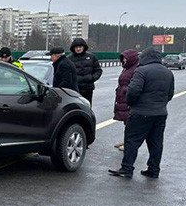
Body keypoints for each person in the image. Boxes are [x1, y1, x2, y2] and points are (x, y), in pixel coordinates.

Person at [108, 48, 175, 179]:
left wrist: (131, 104)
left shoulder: (142, 71)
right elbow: (170, 94)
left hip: (141, 112)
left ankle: (127, 169)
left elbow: (133, 91)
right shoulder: (168, 72)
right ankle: (153, 170)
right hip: (160, 113)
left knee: (131, 141)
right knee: (156, 142)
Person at [113, 49, 140, 150]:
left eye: (125, 58)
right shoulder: (127, 68)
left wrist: (125, 91)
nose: (123, 60)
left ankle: (129, 144)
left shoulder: (136, 69)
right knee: (127, 122)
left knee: (130, 123)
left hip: (129, 98)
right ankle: (126, 141)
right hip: (123, 97)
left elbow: (135, 85)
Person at [68, 38, 103, 104]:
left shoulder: (91, 57)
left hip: (88, 88)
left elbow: (98, 70)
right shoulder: (69, 59)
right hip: (75, 89)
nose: (78, 49)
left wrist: (92, 78)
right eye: (76, 47)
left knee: (87, 107)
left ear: (84, 47)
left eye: (80, 47)